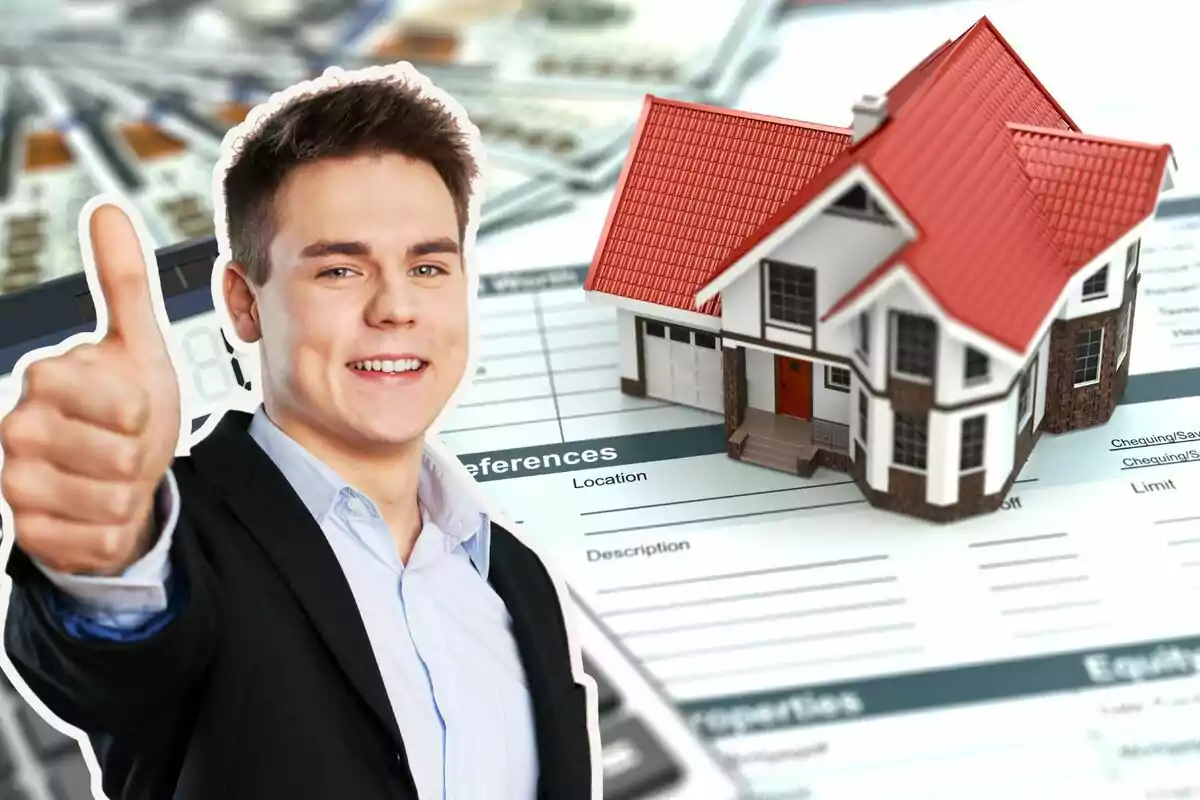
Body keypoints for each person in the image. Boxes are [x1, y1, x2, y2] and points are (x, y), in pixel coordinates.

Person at [0, 69, 596, 799]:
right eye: (341, 269)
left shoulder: (519, 579)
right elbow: (110, 655)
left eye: (429, 265)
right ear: (243, 304)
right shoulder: (182, 542)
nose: (396, 308)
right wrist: (106, 555)